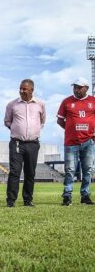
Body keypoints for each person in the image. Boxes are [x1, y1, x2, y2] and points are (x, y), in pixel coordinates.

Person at [4, 79, 46, 207]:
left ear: (31, 90)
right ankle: (11, 200)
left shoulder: (40, 104)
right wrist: (18, 129)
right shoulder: (12, 104)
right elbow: (7, 121)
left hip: (33, 143)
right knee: (15, 171)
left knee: (30, 172)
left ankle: (28, 200)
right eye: (20, 88)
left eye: (25, 89)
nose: (22, 91)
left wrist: (32, 131)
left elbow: (42, 121)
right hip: (17, 142)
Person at [57, 77, 95, 206]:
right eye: (75, 87)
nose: (76, 90)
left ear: (86, 88)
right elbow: (60, 120)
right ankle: (67, 196)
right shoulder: (66, 102)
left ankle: (85, 196)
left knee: (88, 169)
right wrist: (70, 129)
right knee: (70, 170)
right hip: (71, 142)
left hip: (89, 142)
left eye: (79, 87)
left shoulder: (93, 101)